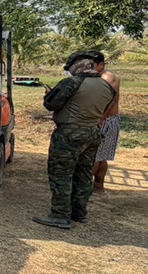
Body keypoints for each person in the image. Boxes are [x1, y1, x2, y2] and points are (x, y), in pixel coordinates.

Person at [34, 51, 116, 229]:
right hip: (92, 133)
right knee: (83, 173)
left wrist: (49, 94)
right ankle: (79, 212)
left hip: (69, 134)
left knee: (61, 173)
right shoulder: (106, 86)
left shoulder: (72, 83)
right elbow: (105, 108)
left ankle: (60, 215)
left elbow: (51, 104)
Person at [90, 51, 120, 192]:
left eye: (92, 65)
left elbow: (112, 100)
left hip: (106, 120)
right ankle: (98, 186)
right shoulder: (98, 77)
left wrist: (101, 118)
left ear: (101, 65)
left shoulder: (107, 78)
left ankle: (91, 185)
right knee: (101, 155)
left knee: (95, 155)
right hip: (105, 119)